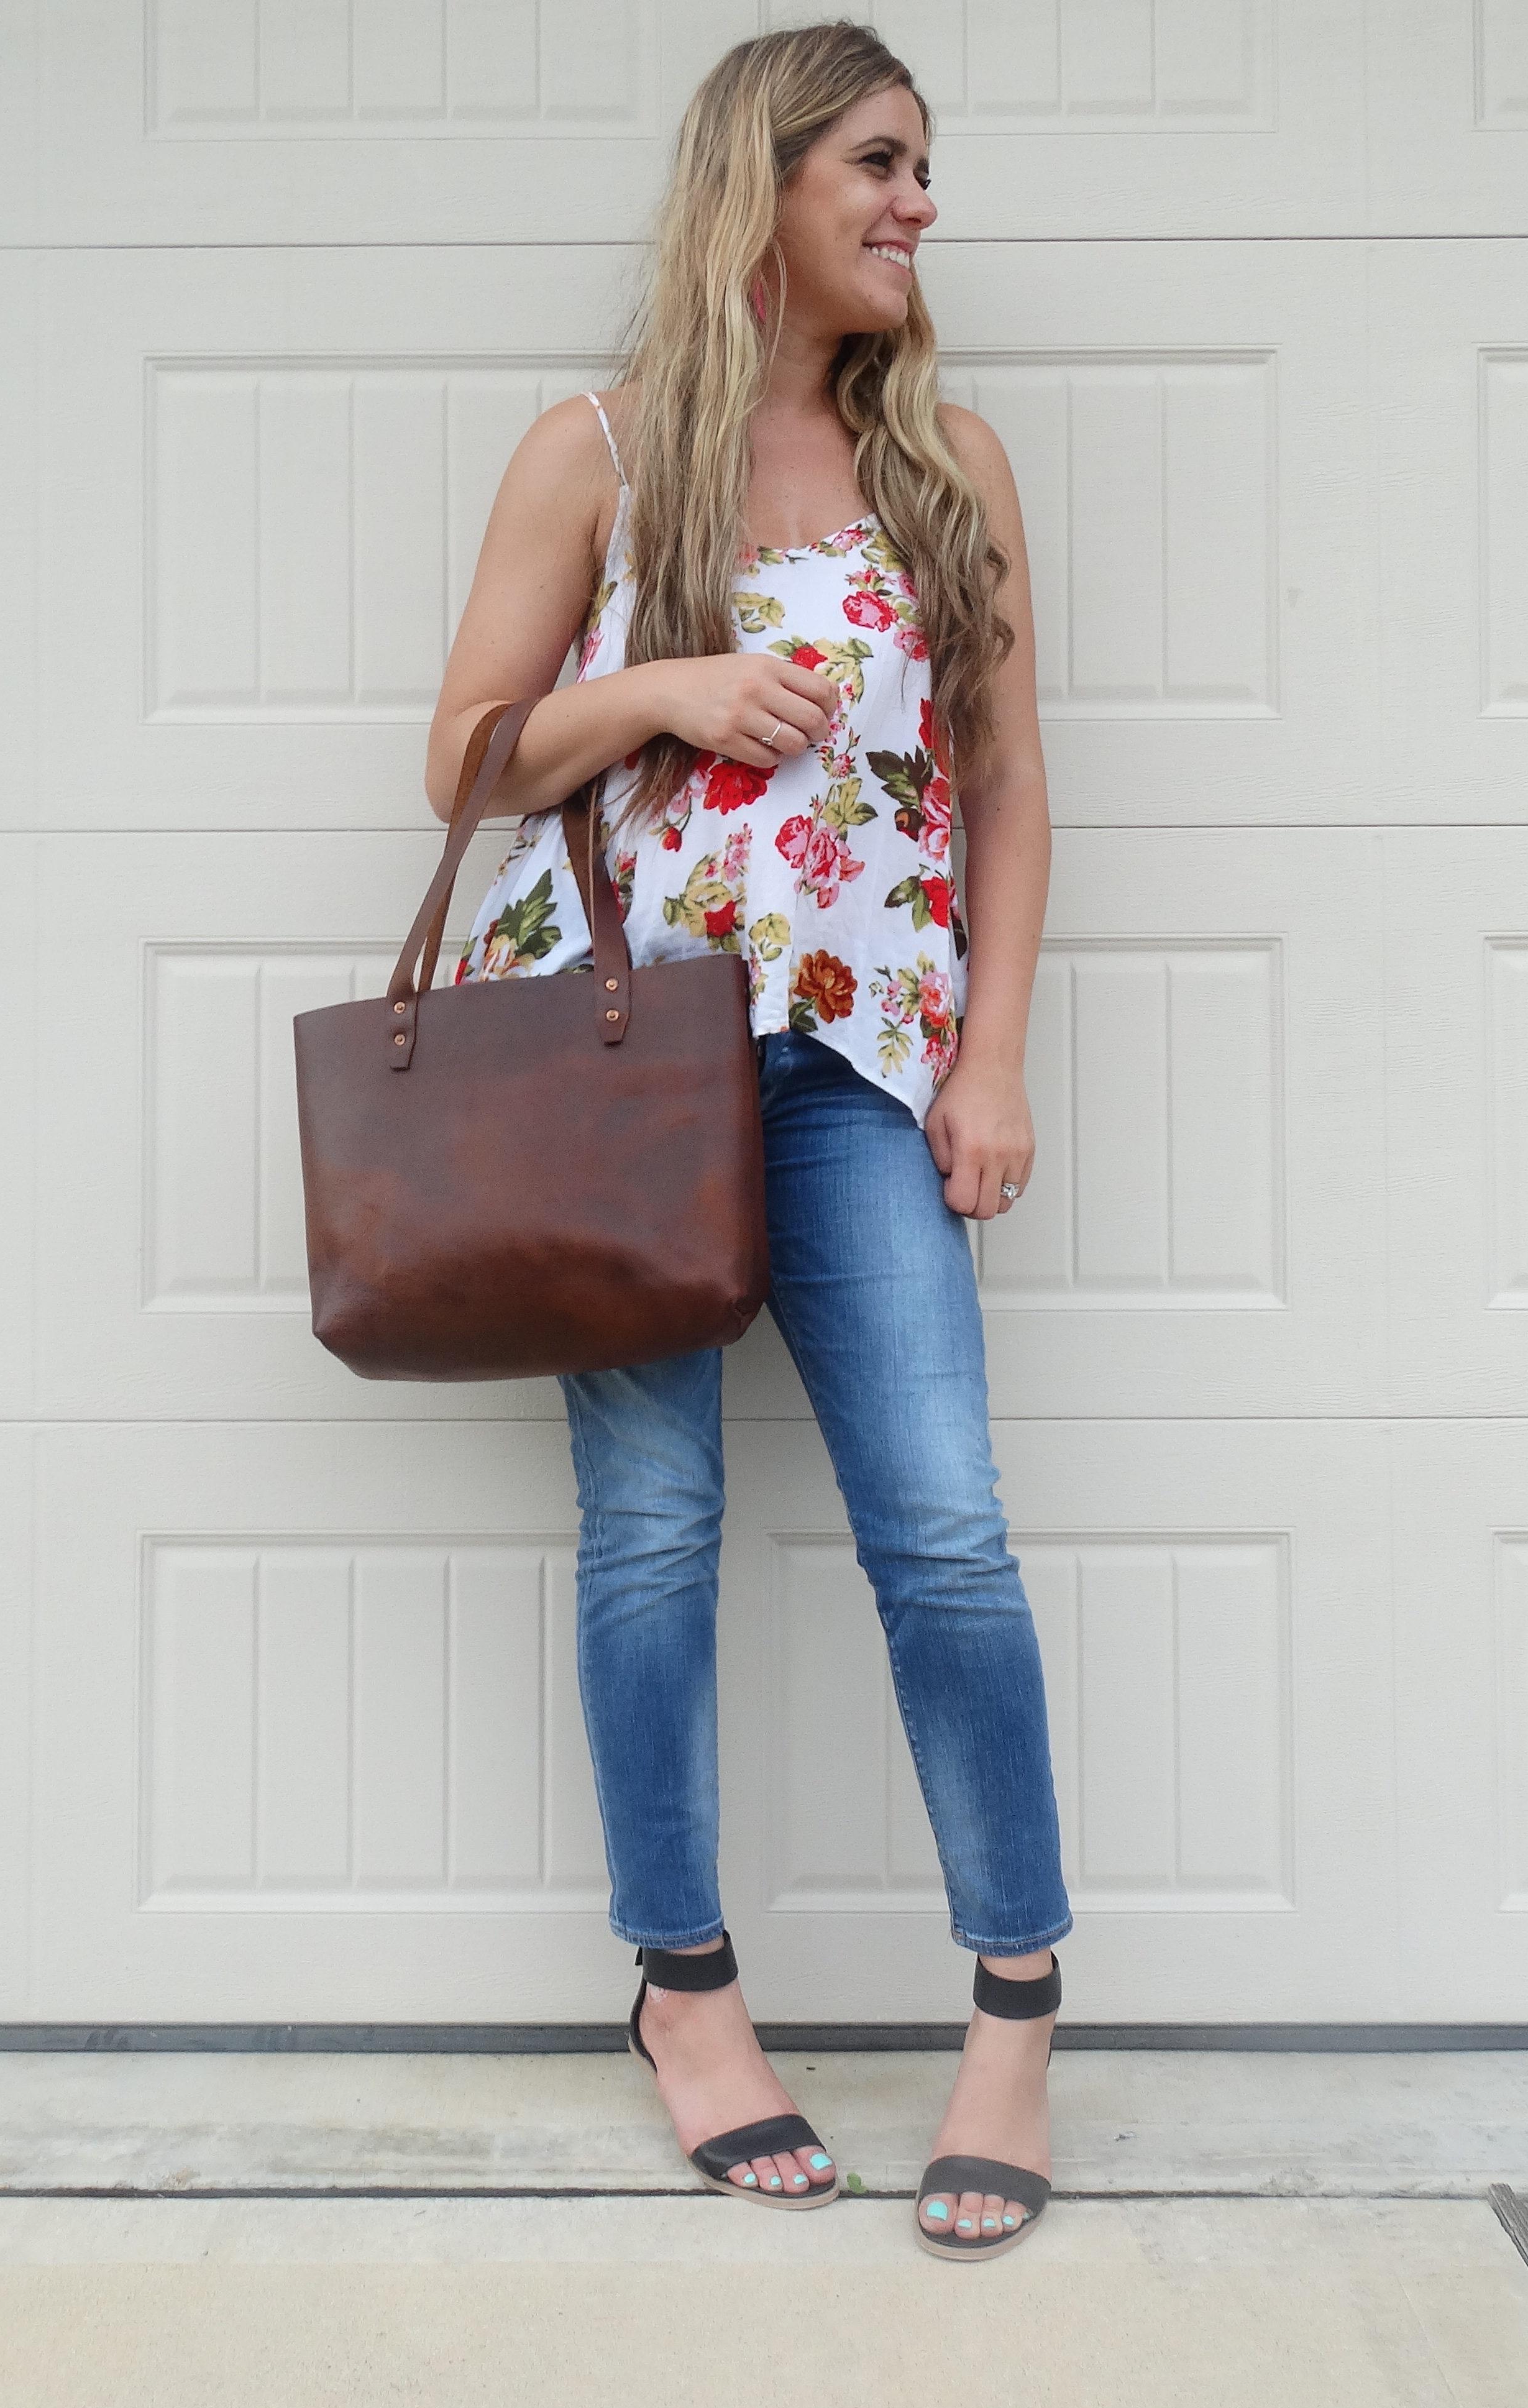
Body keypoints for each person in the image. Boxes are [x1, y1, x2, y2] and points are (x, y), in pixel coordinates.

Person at [425, 21, 1065, 2263]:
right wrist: (667, 692)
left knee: (948, 1533)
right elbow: (467, 763)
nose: (917, 203)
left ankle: (1015, 2011)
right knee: (654, 1527)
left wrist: (986, 1059)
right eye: (879, 163)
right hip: (633, 1075)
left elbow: (1002, 790)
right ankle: (684, 1991)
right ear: (766, 185)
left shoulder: (948, 465)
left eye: (922, 168)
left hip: (866, 1070)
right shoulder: (597, 451)